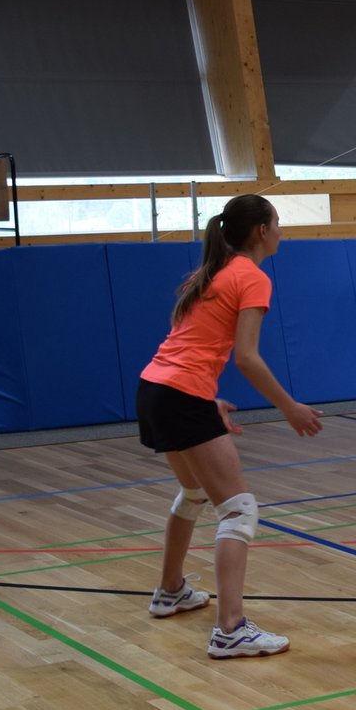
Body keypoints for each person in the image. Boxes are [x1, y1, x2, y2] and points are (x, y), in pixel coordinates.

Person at [138, 194, 323, 658]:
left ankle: (170, 591)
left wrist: (206, 397)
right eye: (277, 222)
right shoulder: (251, 276)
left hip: (155, 388)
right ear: (261, 231)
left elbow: (187, 345)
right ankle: (230, 630)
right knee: (239, 511)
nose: (281, 231)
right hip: (180, 394)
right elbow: (246, 357)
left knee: (194, 493)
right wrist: (289, 407)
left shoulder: (211, 272)